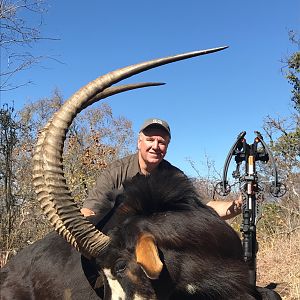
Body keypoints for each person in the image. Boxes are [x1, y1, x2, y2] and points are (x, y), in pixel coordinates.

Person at [81, 118, 242, 220]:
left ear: (167, 146)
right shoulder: (116, 171)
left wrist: (238, 205)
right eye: (150, 140)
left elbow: (204, 207)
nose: (155, 146)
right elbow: (89, 211)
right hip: (120, 243)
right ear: (139, 142)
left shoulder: (175, 176)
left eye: (162, 142)